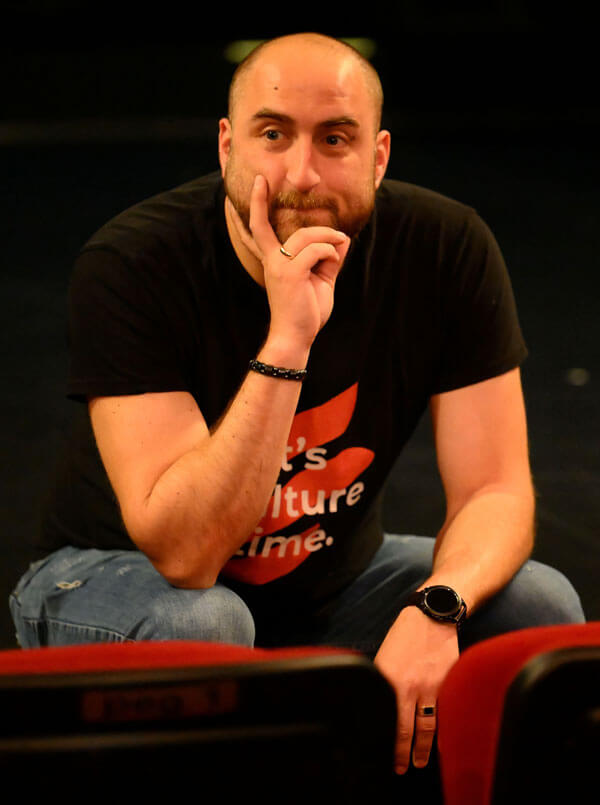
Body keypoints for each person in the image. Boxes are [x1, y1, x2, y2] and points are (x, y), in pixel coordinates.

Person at [10, 32, 585, 783]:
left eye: (335, 139)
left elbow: (496, 490)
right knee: (207, 622)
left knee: (536, 602)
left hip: (330, 585)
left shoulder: (446, 248)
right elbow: (185, 555)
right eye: (274, 135)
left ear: (379, 157)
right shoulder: (134, 264)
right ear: (227, 147)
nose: (302, 174)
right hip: (115, 578)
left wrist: (436, 607)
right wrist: (289, 337)